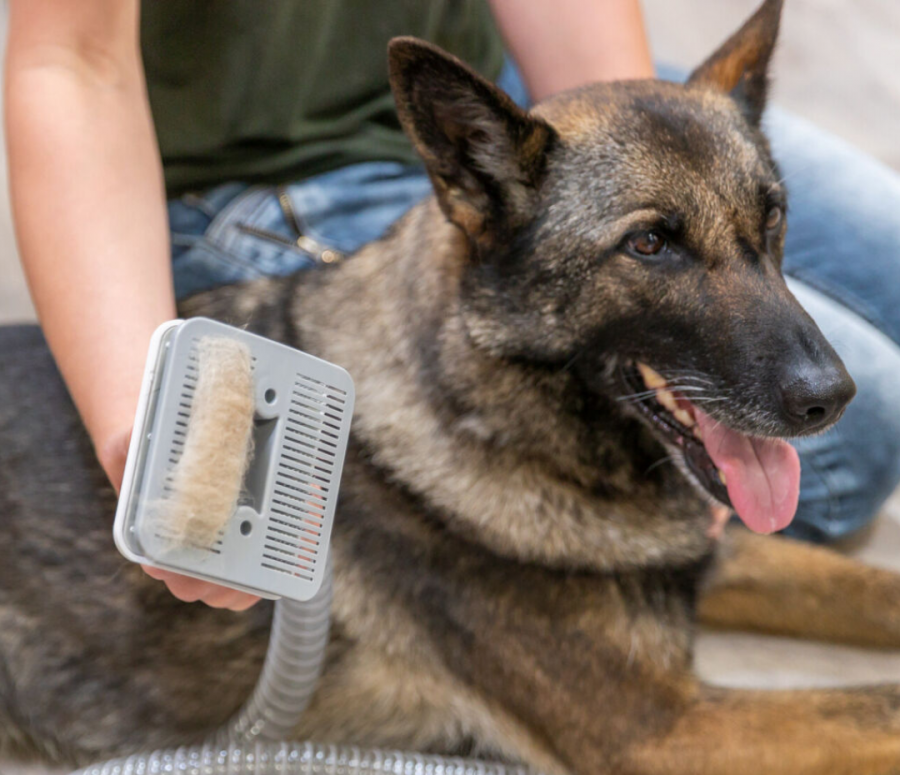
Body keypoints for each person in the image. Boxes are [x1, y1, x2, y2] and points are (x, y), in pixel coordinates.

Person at [5, 1, 900, 611]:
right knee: (866, 432)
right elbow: (67, 60)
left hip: (513, 100)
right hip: (265, 169)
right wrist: (149, 418)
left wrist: (624, 171)